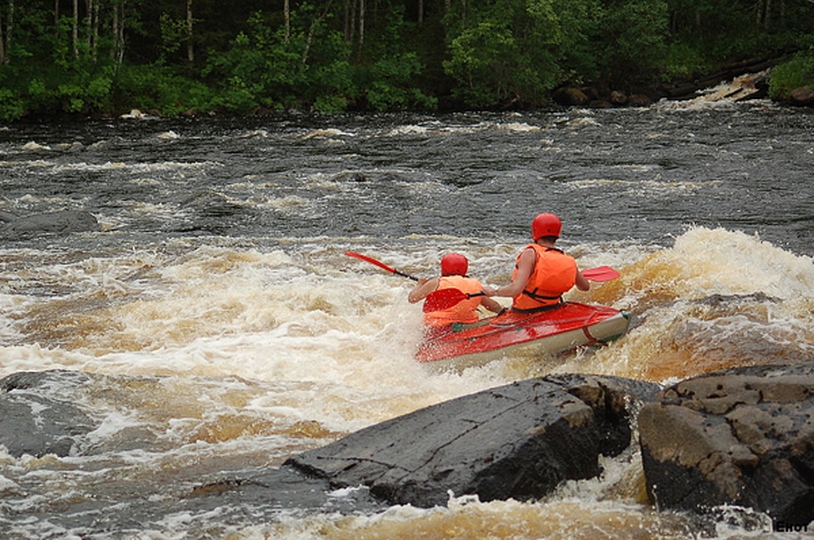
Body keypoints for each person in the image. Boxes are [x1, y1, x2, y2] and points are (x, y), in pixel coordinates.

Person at [483, 213, 589, 312]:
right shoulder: (566, 258)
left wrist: (495, 292)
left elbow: (516, 289)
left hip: (526, 312)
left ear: (535, 231)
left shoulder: (531, 254)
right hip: (553, 308)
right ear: (558, 234)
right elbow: (584, 287)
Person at [408, 252, 505, 328]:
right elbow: (493, 306)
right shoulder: (475, 284)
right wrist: (504, 312)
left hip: (436, 328)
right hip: (468, 325)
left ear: (443, 268)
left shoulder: (436, 282)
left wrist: (420, 284)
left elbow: (412, 299)